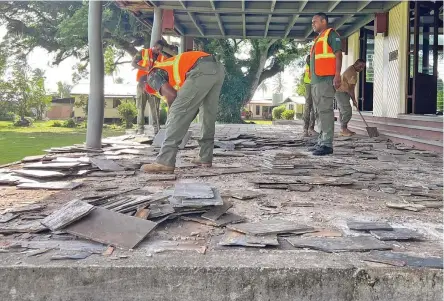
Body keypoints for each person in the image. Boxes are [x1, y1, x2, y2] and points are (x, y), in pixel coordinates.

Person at [140, 51, 225, 174]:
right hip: (217, 69)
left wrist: (173, 115)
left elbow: (171, 95)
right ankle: (205, 157)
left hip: (200, 69)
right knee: (208, 115)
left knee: (176, 111)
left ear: (143, 84)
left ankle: (164, 161)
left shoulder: (151, 75)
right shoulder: (167, 71)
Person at [309, 12, 342, 156]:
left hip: (326, 80)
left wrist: (337, 74)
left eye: (315, 21)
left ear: (323, 21)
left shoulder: (331, 35)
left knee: (325, 111)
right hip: (316, 81)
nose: (313, 24)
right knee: (318, 113)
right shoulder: (318, 39)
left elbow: (338, 54)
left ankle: (327, 144)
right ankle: (321, 141)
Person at [131, 40, 166, 134]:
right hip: (142, 84)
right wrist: (144, 68)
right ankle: (140, 129)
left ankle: (156, 130)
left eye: (160, 50)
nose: (159, 51)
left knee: (155, 108)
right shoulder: (143, 52)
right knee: (140, 107)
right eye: (158, 49)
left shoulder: (162, 58)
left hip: (154, 86)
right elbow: (133, 63)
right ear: (154, 46)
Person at [335, 59, 366, 136]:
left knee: (343, 111)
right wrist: (354, 100)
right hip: (341, 92)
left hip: (341, 92)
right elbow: (351, 89)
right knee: (347, 111)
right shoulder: (352, 73)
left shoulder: (351, 69)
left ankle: (344, 129)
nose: (361, 69)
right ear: (355, 64)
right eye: (360, 66)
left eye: (363, 67)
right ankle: (343, 129)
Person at [302, 55, 317, 137]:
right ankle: (305, 129)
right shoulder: (310, 58)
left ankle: (311, 128)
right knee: (308, 106)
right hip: (309, 84)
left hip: (315, 84)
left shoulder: (314, 59)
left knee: (314, 107)